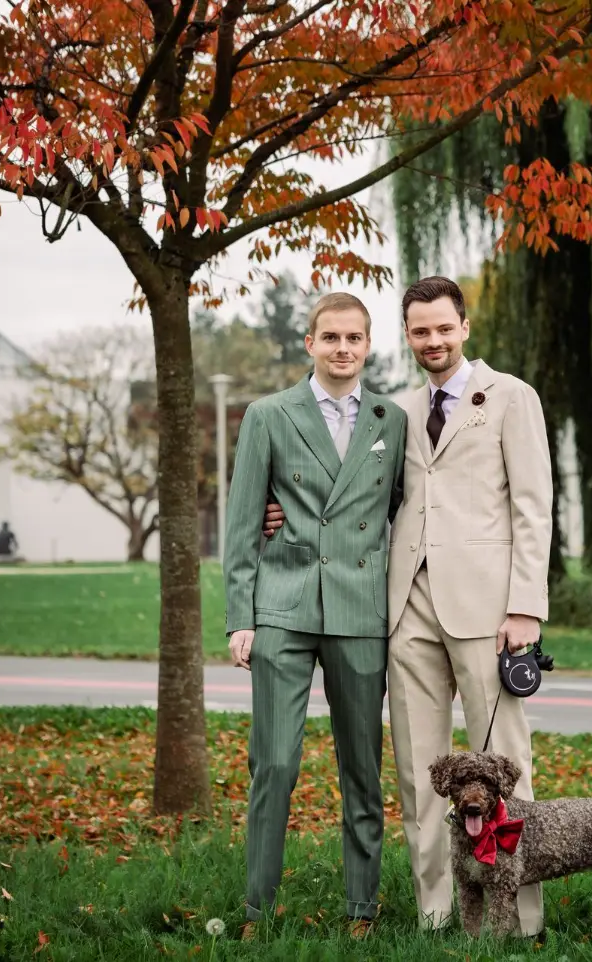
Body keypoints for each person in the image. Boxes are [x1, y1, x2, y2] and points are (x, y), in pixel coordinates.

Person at [263, 276, 553, 939]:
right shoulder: (395, 412)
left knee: (503, 764)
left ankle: (517, 920)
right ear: (408, 336)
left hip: (488, 610)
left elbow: (534, 508)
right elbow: (360, 496)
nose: (433, 340)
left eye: (444, 328)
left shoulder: (511, 397)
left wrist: (526, 607)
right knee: (422, 772)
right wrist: (279, 513)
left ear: (464, 327)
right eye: (420, 331)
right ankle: (437, 912)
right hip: (407, 608)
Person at [223, 291, 406, 938]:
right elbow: (242, 522)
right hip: (284, 606)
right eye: (331, 337)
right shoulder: (268, 415)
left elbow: (402, 510)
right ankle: (257, 910)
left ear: (368, 344)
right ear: (310, 343)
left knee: (363, 769)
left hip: (360, 612)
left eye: (354, 338)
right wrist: (240, 618)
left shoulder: (391, 419)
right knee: (273, 764)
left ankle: (362, 908)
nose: (343, 348)